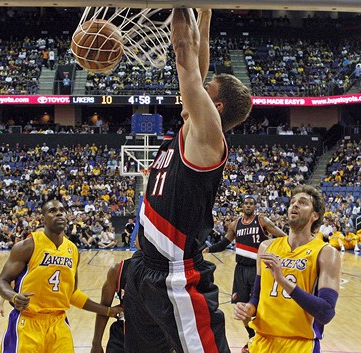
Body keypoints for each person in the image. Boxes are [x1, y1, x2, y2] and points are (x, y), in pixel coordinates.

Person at [123, 8, 252, 353]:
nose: (196, 89)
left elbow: (185, 54)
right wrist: (205, 13)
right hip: (144, 268)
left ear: (217, 107)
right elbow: (198, 57)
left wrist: (181, 6)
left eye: (206, 90)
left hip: (176, 275)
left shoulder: (207, 138)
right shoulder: (191, 130)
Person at [0, 199, 122, 353]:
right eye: (52, 211)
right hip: (28, 321)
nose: (59, 213)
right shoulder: (28, 245)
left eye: (62, 210)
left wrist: (107, 311)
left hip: (58, 323)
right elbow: (2, 282)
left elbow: (71, 294)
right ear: (43, 219)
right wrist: (13, 297)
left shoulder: (73, 250)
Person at [234, 185, 341, 353]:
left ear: (315, 215)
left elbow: (326, 312)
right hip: (262, 341)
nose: (295, 205)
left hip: (300, 345)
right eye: (292, 202)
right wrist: (249, 308)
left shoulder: (326, 253)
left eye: (303, 202)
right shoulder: (266, 247)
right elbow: (257, 296)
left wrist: (283, 281)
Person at [203, 195, 286, 352]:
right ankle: (252, 337)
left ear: (255, 207)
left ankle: (264, 338)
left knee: (260, 307)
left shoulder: (262, 221)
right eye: (246, 203)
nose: (248, 206)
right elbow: (224, 243)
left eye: (251, 204)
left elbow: (283, 237)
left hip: (258, 270)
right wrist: (209, 249)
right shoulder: (236, 224)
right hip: (240, 270)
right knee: (242, 307)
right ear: (242, 206)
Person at [91, 258, 132, 353]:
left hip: (153, 336)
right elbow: (104, 306)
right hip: (121, 335)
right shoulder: (118, 269)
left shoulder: (164, 270)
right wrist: (96, 343)